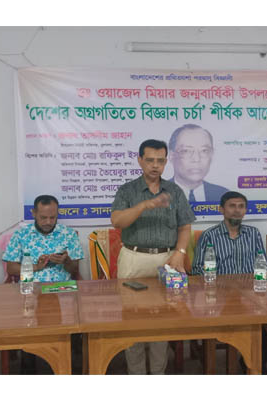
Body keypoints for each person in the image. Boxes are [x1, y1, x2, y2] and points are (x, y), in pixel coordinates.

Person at [111, 139, 196, 374]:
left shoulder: (175, 191)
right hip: (134, 258)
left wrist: (180, 253)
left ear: (166, 162)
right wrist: (144, 205)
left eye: (160, 161)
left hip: (166, 260)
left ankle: (158, 374)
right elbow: (117, 221)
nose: (155, 165)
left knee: (163, 321)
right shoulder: (128, 190)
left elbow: (185, 226)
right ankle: (136, 375)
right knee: (132, 320)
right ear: (140, 160)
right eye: (150, 160)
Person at [191, 191, 267, 373]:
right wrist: (221, 287)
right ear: (221, 209)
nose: (237, 210)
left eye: (241, 206)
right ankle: (249, 362)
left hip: (251, 296)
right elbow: (197, 270)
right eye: (232, 206)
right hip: (220, 298)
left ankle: (251, 363)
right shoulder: (209, 235)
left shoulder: (253, 233)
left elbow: (263, 264)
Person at [2, 194, 84, 374]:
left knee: (69, 324)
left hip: (62, 288)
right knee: (29, 326)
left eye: (52, 217)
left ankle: (66, 365)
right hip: (30, 287)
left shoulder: (68, 234)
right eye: (43, 217)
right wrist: (36, 267)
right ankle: (29, 367)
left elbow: (74, 268)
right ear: (33, 213)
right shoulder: (21, 235)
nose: (48, 222)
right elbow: (11, 268)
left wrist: (66, 261)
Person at [167, 124, 229, 204]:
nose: (196, 159)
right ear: (171, 156)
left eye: (204, 151)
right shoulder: (156, 195)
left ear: (212, 155)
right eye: (186, 151)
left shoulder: (224, 195)